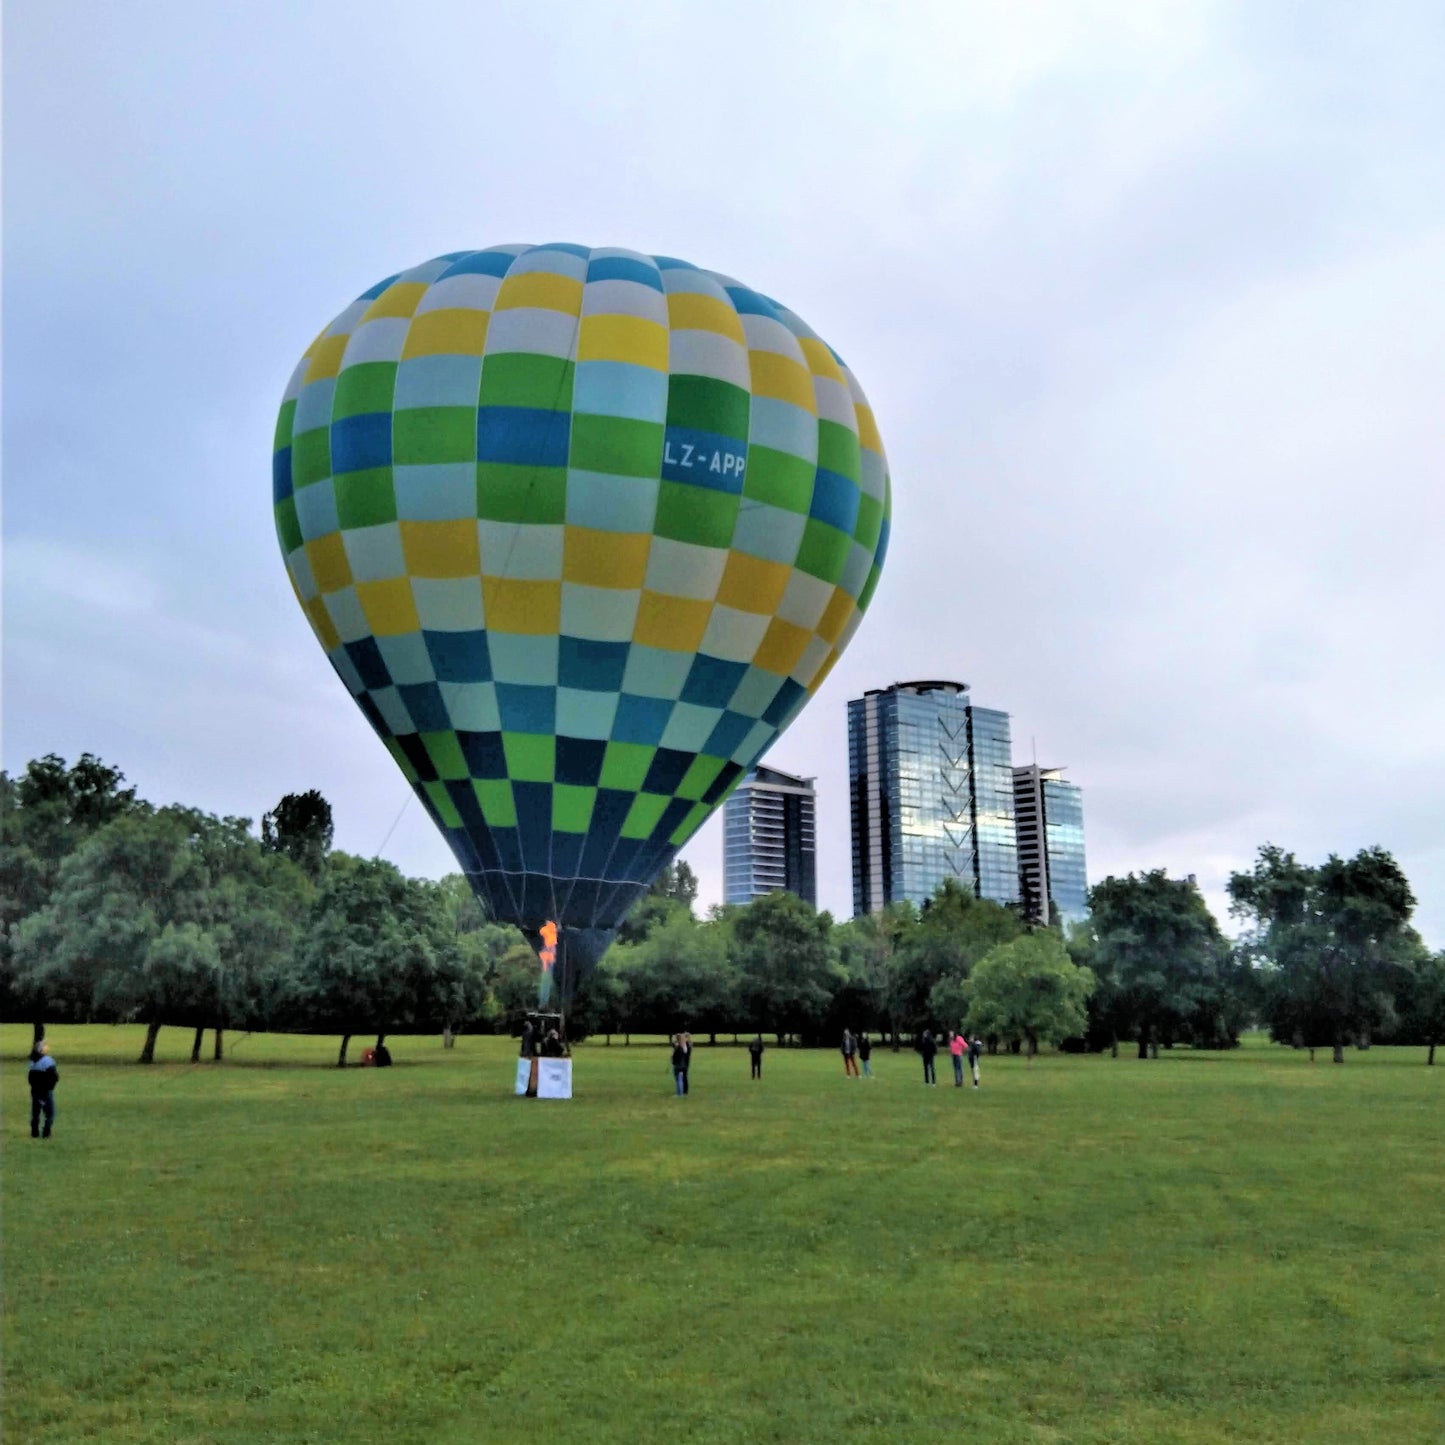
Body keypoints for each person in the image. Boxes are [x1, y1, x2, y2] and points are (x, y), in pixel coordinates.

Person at [28, 1041, 59, 1139]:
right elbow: (54, 1077)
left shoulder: (32, 1062)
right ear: (41, 1049)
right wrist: (50, 1087)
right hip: (46, 1092)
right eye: (45, 1046)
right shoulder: (48, 1061)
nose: (47, 1047)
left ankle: (34, 1133)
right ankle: (46, 1133)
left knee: (35, 1113)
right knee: (50, 1113)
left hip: (35, 1091)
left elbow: (30, 1078)